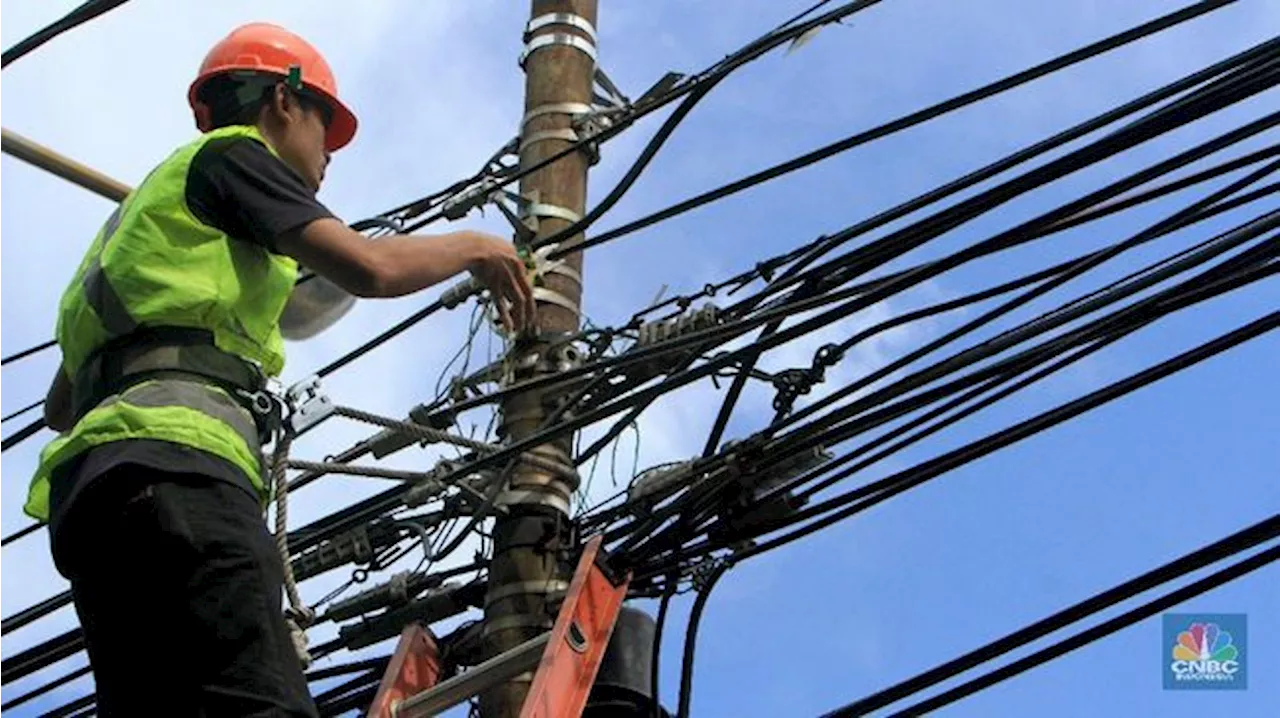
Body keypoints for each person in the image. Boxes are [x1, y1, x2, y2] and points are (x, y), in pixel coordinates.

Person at [23, 23, 534, 717]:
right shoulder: (234, 157)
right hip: (185, 477)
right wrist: (476, 245)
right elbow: (370, 268)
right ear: (284, 102)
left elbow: (62, 407)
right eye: (327, 128)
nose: (330, 155)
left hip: (96, 504)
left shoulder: (139, 228)